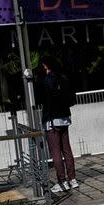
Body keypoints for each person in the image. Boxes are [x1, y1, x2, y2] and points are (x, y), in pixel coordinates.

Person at [39, 57, 78, 193]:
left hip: (52, 119)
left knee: (55, 151)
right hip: (64, 117)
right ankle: (72, 179)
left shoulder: (47, 80)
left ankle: (62, 182)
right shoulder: (64, 78)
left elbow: (44, 98)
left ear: (45, 66)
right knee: (67, 149)